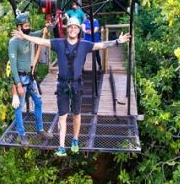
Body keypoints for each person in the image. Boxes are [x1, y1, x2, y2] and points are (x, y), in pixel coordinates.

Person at [13, 17, 131, 156]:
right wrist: (24, 36)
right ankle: (61, 146)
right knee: (62, 116)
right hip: (62, 84)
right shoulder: (59, 43)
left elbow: (101, 45)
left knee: (76, 114)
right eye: (70, 27)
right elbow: (41, 41)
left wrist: (117, 41)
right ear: (67, 29)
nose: (73, 29)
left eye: (75, 27)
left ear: (79, 30)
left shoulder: (84, 45)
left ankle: (75, 139)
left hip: (76, 85)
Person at [8, 13, 52, 146]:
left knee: (38, 101)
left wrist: (46, 28)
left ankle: (40, 130)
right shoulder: (14, 42)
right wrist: (18, 84)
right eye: (26, 26)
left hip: (30, 76)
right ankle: (22, 135)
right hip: (20, 78)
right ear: (19, 27)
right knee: (19, 107)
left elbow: (39, 33)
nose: (28, 28)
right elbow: (13, 66)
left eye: (28, 26)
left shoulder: (28, 37)